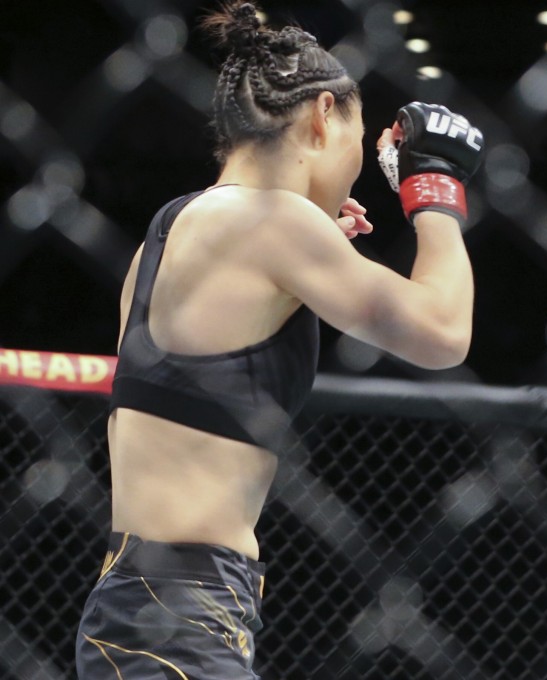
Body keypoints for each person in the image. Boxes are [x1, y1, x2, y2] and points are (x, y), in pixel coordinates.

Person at [75, 2, 484, 678]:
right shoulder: (272, 220)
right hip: (183, 610)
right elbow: (443, 334)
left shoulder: (171, 228)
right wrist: (435, 194)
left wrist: (308, 262)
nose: (357, 169)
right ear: (323, 116)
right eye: (357, 141)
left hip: (146, 603)